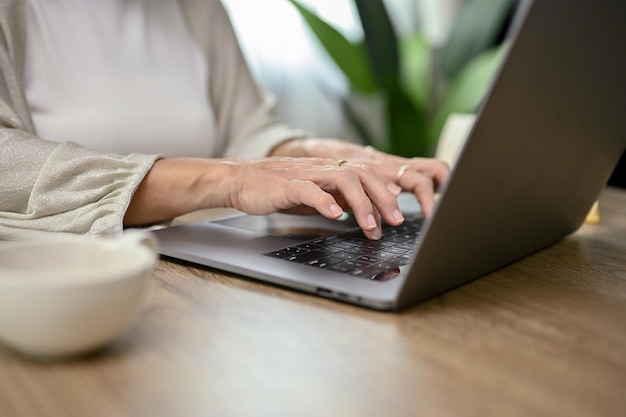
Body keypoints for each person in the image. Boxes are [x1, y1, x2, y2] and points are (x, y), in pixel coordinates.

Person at [0, 0, 449, 241]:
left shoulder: (198, 7)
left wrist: (316, 157)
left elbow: (247, 129)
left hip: (195, 281)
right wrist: (223, 180)